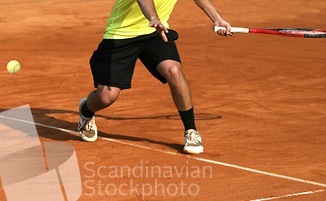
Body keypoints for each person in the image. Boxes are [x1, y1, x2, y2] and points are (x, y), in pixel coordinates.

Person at [78, 0, 232, 154]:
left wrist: (216, 18)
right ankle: (86, 110)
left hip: (155, 32)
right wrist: (153, 17)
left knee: (174, 70)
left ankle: (191, 131)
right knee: (106, 97)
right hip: (121, 34)